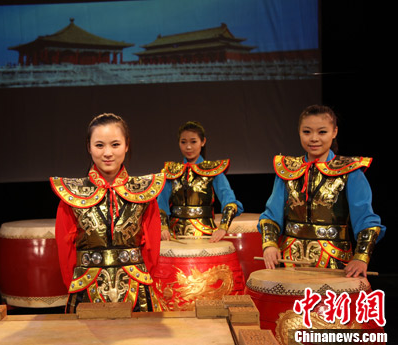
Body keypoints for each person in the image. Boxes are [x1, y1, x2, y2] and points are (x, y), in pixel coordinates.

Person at [50, 113, 165, 313]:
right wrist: (75, 283)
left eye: (115, 144)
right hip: (86, 290)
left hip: (137, 289)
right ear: (89, 147)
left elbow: (152, 249)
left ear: (127, 145)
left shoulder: (145, 192)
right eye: (99, 145)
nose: (108, 153)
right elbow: (65, 249)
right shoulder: (71, 194)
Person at [258, 105, 385, 278]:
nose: (314, 138)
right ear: (299, 132)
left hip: (335, 262)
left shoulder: (350, 171)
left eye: (322, 132)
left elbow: (366, 219)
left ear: (334, 132)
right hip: (289, 261)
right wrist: (270, 244)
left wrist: (361, 257)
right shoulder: (287, 169)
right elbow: (271, 215)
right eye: (307, 132)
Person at [157, 121, 243, 242]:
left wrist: (223, 227)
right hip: (173, 234)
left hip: (205, 232)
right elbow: (161, 203)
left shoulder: (213, 170)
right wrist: (163, 227)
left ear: (203, 142)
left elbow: (229, 201)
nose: (188, 147)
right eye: (183, 142)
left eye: (193, 141)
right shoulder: (170, 171)